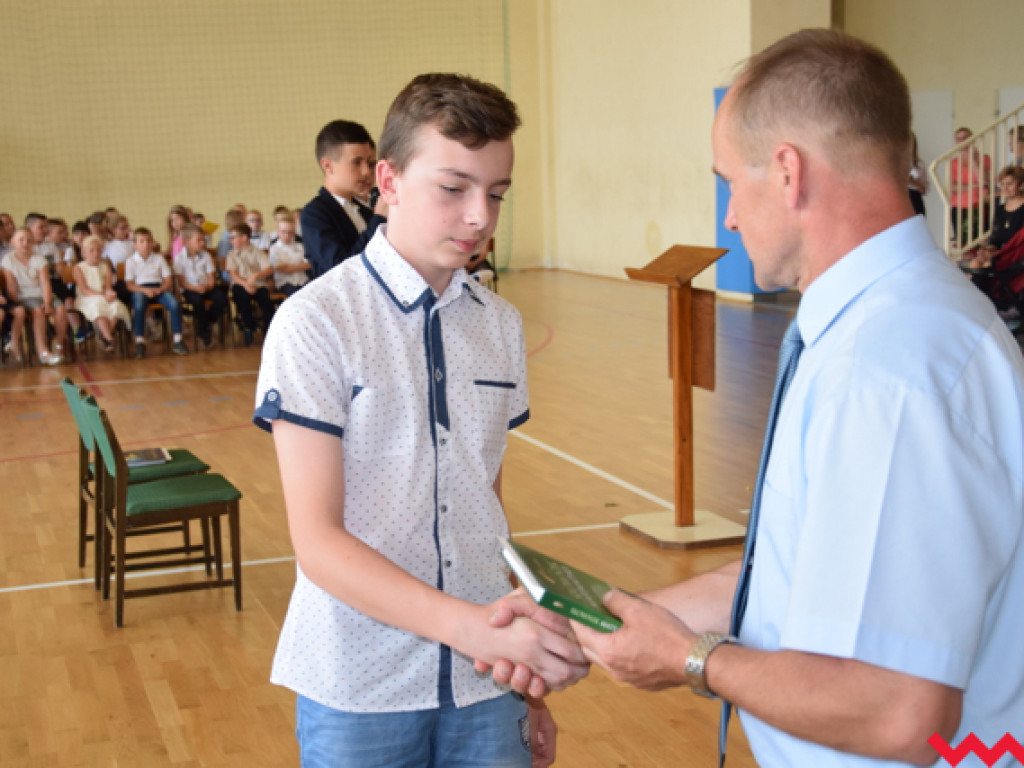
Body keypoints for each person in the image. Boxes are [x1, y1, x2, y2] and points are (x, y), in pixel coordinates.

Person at [485, 28, 1024, 768]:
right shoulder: (887, 329)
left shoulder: (891, 370)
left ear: (788, 173)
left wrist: (691, 659)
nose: (730, 216)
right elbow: (796, 570)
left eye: (728, 182)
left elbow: (903, 712)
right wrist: (595, 620)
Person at [252, 73, 588, 768]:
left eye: (496, 194)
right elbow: (317, 542)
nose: (480, 218)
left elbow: (484, 508)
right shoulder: (317, 323)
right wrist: (480, 634)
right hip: (359, 685)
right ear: (389, 180)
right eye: (454, 187)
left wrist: (526, 686)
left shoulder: (500, 326)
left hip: (485, 683)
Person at [300, 119, 388, 279]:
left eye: (370, 163)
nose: (366, 171)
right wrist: (379, 220)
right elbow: (340, 269)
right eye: (356, 162)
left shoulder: (364, 210)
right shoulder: (315, 214)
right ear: (328, 166)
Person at [1, 227, 66, 364]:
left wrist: (48, 302)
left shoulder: (39, 258)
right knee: (38, 311)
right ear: (12, 242)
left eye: (29, 240)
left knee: (60, 309)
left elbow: (45, 283)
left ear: (33, 243)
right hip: (24, 296)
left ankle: (59, 346)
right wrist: (16, 303)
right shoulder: (8, 260)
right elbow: (11, 287)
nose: (25, 243)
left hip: (41, 294)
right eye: (21, 240)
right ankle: (43, 352)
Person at [125, 227, 188, 358]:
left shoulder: (159, 258)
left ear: (153, 242)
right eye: (141, 241)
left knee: (174, 304)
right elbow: (129, 285)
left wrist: (161, 289)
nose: (146, 244)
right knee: (139, 306)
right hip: (141, 289)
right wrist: (144, 290)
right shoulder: (130, 261)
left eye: (148, 241)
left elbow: (168, 280)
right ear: (135, 245)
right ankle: (140, 342)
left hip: (159, 288)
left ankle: (177, 340)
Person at [73, 235, 130, 352]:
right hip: (87, 297)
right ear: (84, 252)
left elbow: (108, 287)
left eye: (99, 250)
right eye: (92, 250)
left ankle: (104, 334)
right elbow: (84, 290)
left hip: (102, 295)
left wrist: (110, 293)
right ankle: (109, 338)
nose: (96, 253)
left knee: (116, 305)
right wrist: (103, 295)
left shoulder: (105, 267)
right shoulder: (79, 268)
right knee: (98, 305)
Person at [174, 223, 226, 349]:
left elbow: (211, 278)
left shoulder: (206, 256)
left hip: (206, 286)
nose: (202, 243)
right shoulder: (179, 259)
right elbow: (181, 282)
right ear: (187, 241)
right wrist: (196, 288)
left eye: (203, 239)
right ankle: (204, 332)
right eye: (199, 240)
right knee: (197, 301)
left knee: (221, 298)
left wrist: (207, 286)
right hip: (190, 288)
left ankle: (205, 324)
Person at [224, 222, 274, 346]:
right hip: (240, 284)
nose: (231, 240)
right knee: (242, 299)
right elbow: (233, 273)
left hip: (257, 284)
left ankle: (269, 330)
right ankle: (248, 329)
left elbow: (268, 269)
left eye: (233, 237)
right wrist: (246, 284)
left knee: (265, 300)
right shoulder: (232, 254)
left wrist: (256, 275)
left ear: (244, 237)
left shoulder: (257, 252)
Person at [950, 126, 992, 248]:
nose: (962, 141)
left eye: (965, 138)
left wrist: (973, 161)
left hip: (978, 205)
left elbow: (983, 181)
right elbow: (952, 187)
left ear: (972, 139)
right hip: (959, 206)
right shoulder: (953, 162)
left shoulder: (984, 159)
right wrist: (974, 185)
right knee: (962, 243)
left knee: (980, 243)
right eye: (958, 139)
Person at [267, 214, 309, 297]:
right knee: (296, 297)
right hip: (285, 282)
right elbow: (282, 268)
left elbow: (309, 264)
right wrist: (300, 266)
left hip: (302, 279)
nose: (287, 235)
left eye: (290, 232)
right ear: (277, 232)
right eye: (283, 232)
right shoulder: (274, 249)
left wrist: (290, 267)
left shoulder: (300, 246)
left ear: (294, 233)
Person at [907, 132, 928, 217]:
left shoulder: (919, 163)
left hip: (915, 198)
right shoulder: (895, 162)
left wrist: (913, 182)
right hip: (902, 197)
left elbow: (924, 189)